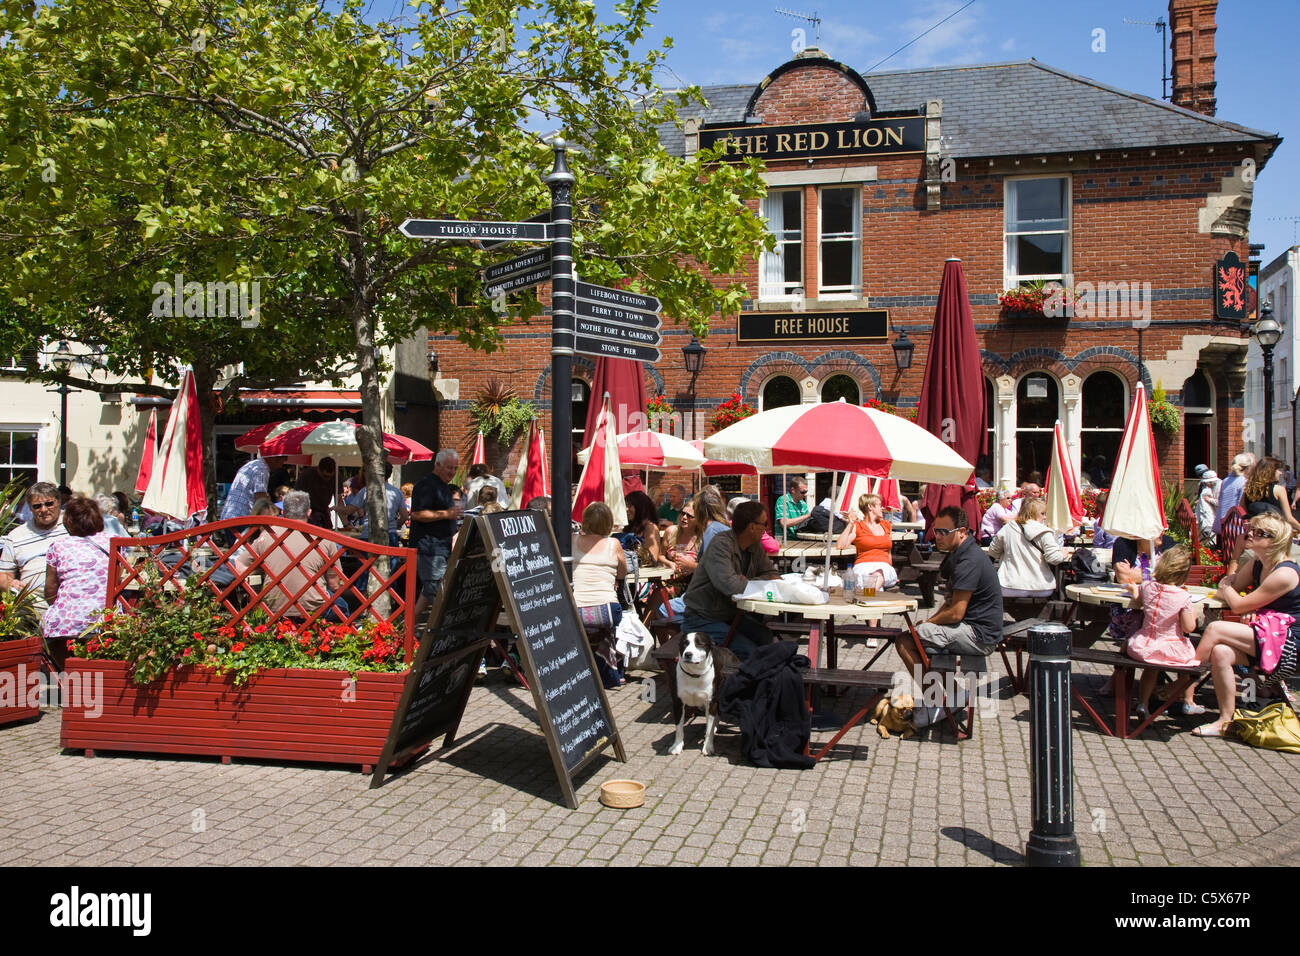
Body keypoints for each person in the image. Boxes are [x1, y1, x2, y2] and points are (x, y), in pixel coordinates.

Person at [1194, 512, 1300, 737]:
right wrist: (1243, 599)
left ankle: (1184, 682)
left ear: (1275, 540)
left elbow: (1235, 600)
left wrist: (1240, 599)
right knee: (1222, 652)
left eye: (1258, 532)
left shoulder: (1286, 573)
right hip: (1269, 634)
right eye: (1250, 530)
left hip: (1290, 644)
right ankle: (1224, 720)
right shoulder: (1258, 564)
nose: (1249, 534)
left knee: (1215, 629)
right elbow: (1230, 584)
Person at [895, 505, 1003, 674]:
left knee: (906, 640)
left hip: (980, 636)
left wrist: (929, 623)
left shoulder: (968, 561)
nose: (937, 537)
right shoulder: (961, 553)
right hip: (975, 629)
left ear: (961, 531)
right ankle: (947, 694)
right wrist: (930, 621)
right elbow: (950, 604)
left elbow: (955, 613)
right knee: (918, 633)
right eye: (936, 531)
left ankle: (938, 695)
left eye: (944, 532)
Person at [682, 500, 781, 660]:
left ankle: (772, 681)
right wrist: (755, 581)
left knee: (768, 639)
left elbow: (772, 574)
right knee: (749, 652)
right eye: (765, 523)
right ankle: (742, 684)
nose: (766, 528)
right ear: (752, 527)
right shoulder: (721, 545)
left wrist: (748, 580)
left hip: (731, 616)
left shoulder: (754, 546)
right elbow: (730, 585)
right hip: (702, 619)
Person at [239, 491, 350, 622]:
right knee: (343, 606)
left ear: (283, 513)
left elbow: (239, 565)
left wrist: (261, 571)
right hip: (315, 609)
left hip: (274, 608)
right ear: (309, 512)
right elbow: (334, 585)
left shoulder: (266, 536)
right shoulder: (325, 538)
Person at [1123, 545, 1203, 719]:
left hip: (1142, 645)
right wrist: (1194, 614)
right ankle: (1167, 690)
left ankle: (1143, 703)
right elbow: (1189, 628)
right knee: (1195, 665)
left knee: (1150, 670)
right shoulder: (1182, 596)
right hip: (1169, 646)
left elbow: (1138, 603)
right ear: (1184, 573)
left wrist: (1134, 591)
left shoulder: (1147, 586)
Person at [42, 496, 111, 676]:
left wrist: (64, 608)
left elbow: (50, 589)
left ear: (68, 521)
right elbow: (114, 582)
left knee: (50, 635)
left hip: (65, 622)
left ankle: (69, 679)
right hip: (104, 619)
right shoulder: (113, 543)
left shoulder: (58, 546)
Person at [572, 502, 628, 689]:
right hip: (607, 611)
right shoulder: (614, 544)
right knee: (613, 628)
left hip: (576, 611)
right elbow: (622, 573)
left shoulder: (572, 540)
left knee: (588, 633)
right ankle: (614, 672)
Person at [0, 482, 69, 623]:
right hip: (32, 606)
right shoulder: (16, 536)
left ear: (59, 502)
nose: (43, 510)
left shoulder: (74, 524)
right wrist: (11, 583)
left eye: (49, 504)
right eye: (37, 506)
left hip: (70, 599)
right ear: (30, 508)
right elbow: (3, 574)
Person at [410, 449, 463, 618]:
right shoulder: (426, 485)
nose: (452, 472)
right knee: (438, 592)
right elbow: (417, 514)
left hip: (442, 547)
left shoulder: (444, 487)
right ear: (437, 465)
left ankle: (405, 627)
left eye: (455, 468)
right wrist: (447, 514)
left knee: (429, 591)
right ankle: (449, 631)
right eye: (449, 468)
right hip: (430, 548)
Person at [1226, 456, 1300, 573]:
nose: (1280, 473)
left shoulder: (1247, 490)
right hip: (1274, 536)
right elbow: (1288, 518)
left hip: (1253, 535)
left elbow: (1243, 511)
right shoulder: (1279, 490)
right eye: (1278, 470)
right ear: (1270, 471)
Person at [987, 497, 1067, 598]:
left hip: (1009, 586)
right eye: (1042, 513)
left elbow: (993, 551)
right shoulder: (1045, 532)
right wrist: (1062, 554)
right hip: (1041, 588)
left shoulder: (1008, 528)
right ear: (1033, 513)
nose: (1045, 517)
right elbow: (1054, 558)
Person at [836, 492, 897, 591]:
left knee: (879, 574)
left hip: (884, 567)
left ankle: (868, 595)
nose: (882, 508)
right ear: (870, 507)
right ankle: (870, 595)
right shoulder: (858, 526)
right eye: (880, 505)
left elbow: (888, 552)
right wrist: (850, 523)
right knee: (874, 578)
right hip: (863, 566)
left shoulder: (886, 525)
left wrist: (890, 567)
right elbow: (840, 545)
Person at [222, 455, 288, 522]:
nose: (280, 466)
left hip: (230, 517)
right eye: (282, 462)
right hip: (240, 519)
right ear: (274, 459)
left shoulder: (253, 465)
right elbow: (261, 500)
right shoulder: (261, 469)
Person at [624, 490, 672, 568]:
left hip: (643, 576)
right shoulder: (630, 526)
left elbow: (652, 560)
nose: (626, 509)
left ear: (639, 507)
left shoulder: (650, 528)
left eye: (629, 506)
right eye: (625, 506)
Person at [293, 456, 338, 529]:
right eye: (325, 476)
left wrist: (345, 524)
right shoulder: (306, 475)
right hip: (308, 511)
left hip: (324, 511)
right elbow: (296, 497)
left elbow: (339, 499)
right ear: (318, 470)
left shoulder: (336, 476)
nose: (327, 479)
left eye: (330, 477)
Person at [664, 501, 700, 575]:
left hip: (692, 581)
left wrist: (689, 565)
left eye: (690, 516)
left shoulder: (702, 538)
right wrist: (669, 563)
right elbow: (660, 556)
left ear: (698, 520)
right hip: (669, 580)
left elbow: (708, 567)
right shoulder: (671, 531)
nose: (684, 517)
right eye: (683, 513)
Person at [1195, 469, 1220, 546]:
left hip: (1217, 515)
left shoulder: (1220, 487)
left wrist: (1209, 499)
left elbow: (1220, 502)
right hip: (1211, 515)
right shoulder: (1207, 488)